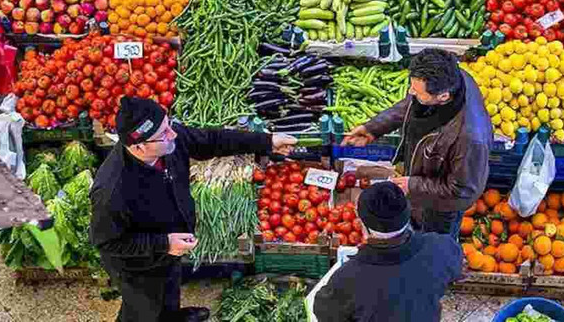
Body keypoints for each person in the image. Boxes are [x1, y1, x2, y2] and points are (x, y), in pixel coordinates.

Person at [90, 97, 297, 322]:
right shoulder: (112, 190)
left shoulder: (166, 142)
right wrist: (164, 244)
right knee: (144, 309)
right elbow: (107, 242)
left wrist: (267, 141)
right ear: (139, 146)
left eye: (169, 125)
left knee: (169, 289)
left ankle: (173, 316)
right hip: (138, 265)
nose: (174, 134)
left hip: (170, 246)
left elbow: (212, 140)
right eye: (164, 133)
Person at [344, 48, 492, 237]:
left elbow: (462, 191)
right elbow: (411, 104)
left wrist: (413, 185)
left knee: (434, 242)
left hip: (442, 207)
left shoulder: (470, 139)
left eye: (417, 90)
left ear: (443, 96)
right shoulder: (454, 77)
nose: (410, 92)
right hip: (423, 178)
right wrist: (374, 128)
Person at [310, 181, 463, 321]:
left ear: (363, 224)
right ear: (407, 214)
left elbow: (324, 312)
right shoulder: (441, 247)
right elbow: (455, 269)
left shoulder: (347, 278)